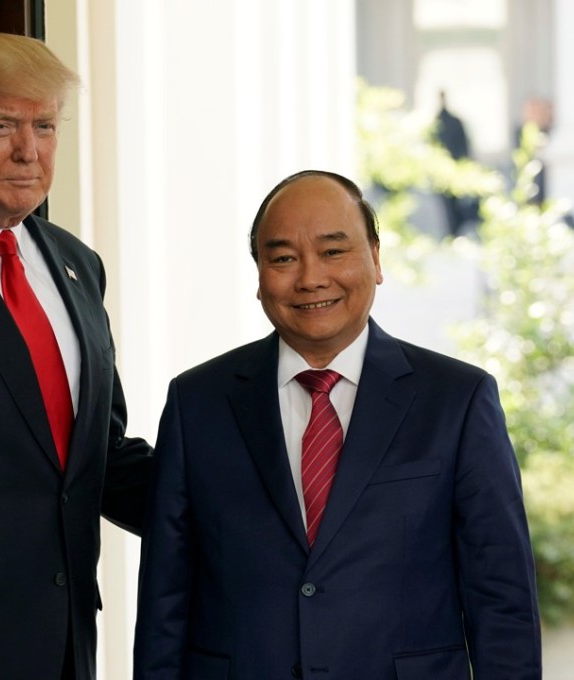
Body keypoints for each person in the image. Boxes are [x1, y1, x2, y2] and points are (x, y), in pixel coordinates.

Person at [133, 170, 541, 679]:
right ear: (259, 274)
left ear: (375, 258)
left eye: (333, 252)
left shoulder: (457, 400)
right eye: (282, 258)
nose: (310, 278)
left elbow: (502, 598)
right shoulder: (197, 402)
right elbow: (164, 598)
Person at [0, 33, 152, 680]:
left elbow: (99, 458)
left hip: (67, 637)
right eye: (2, 126)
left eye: (45, 126)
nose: (29, 151)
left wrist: (233, 500)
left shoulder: (76, 264)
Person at [433, 90, 476, 236]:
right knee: (447, 206)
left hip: (454, 169)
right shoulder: (435, 122)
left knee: (456, 204)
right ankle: (452, 233)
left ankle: (456, 232)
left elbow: (464, 146)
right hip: (442, 170)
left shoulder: (453, 121)